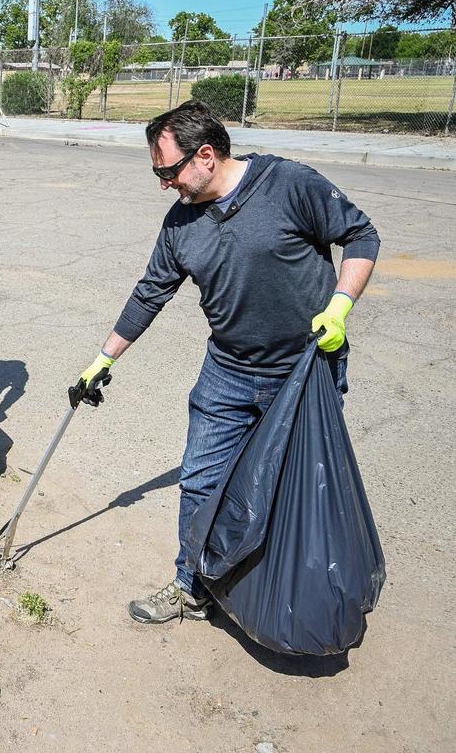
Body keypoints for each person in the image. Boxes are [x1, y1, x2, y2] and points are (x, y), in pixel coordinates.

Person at [75, 100, 381, 625]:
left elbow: (361, 236)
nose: (164, 184)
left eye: (168, 171)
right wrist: (102, 360)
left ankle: (301, 595)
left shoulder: (288, 183)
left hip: (304, 371)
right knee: (200, 479)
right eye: (157, 173)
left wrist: (340, 305)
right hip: (229, 372)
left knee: (297, 486)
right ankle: (190, 586)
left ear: (207, 156)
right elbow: (150, 293)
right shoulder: (179, 225)